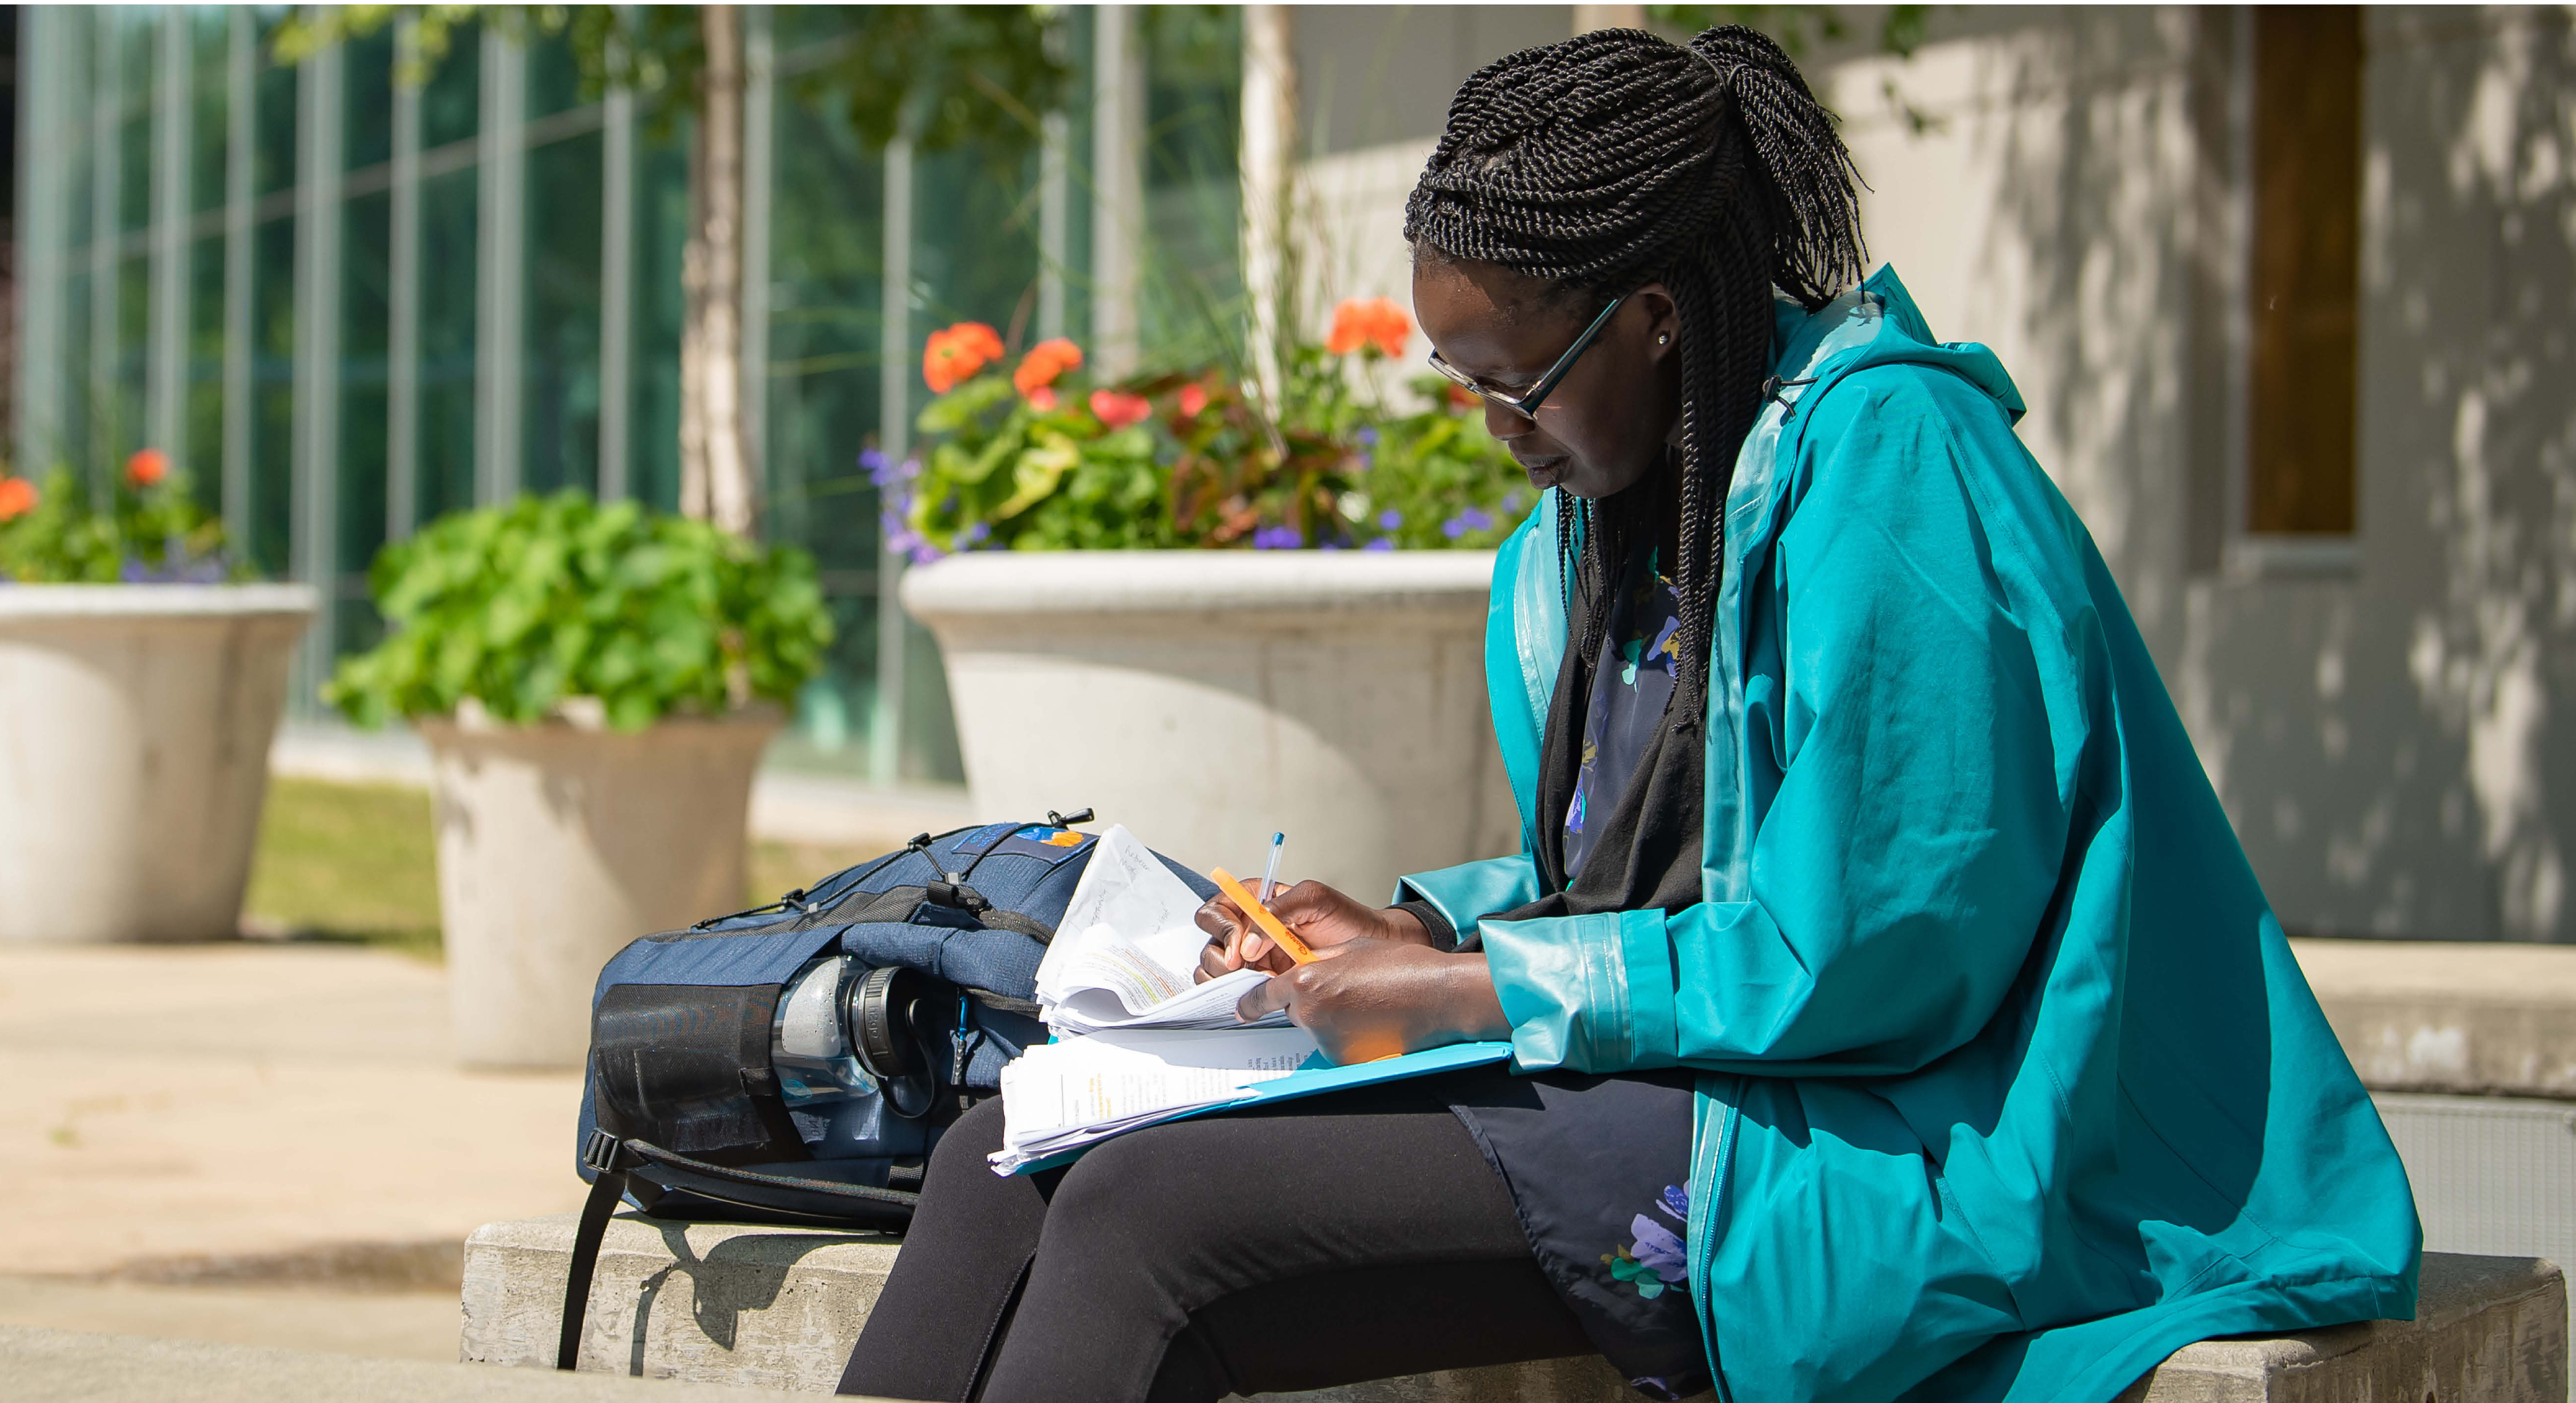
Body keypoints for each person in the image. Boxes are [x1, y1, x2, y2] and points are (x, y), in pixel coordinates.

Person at [835, 25, 2416, 1403]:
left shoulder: (1893, 476)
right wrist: (1400, 928)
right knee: (1002, 1151)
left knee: (1148, 1218)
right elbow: (1637, 884)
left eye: (1513, 381)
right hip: (1704, 1075)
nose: (1492, 428)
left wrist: (1467, 990)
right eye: (1459, 383)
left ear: (1655, 315)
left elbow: (1877, 951)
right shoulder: (1598, 533)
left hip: (1911, 1120)